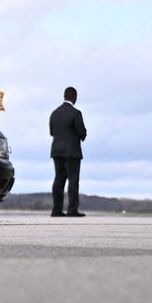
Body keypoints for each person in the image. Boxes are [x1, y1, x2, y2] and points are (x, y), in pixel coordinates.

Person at [48, 88, 87, 217]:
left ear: (64, 96)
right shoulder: (75, 113)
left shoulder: (54, 113)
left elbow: (52, 132)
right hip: (72, 152)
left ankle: (56, 209)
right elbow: (81, 132)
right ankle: (72, 209)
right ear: (74, 97)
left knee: (59, 179)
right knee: (73, 180)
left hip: (57, 150)